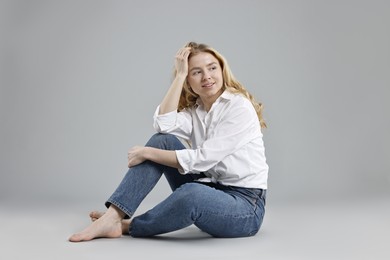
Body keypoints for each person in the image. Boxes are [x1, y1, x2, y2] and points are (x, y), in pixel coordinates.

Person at [69, 42, 269, 242]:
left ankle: (126, 226)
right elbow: (163, 125)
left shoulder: (238, 107)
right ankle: (113, 216)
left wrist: (147, 153)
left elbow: (204, 159)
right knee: (162, 141)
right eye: (196, 72)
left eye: (212, 68)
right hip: (210, 191)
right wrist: (180, 76)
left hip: (245, 207)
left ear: (223, 70)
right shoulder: (196, 111)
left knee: (193, 193)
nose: (207, 76)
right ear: (189, 80)